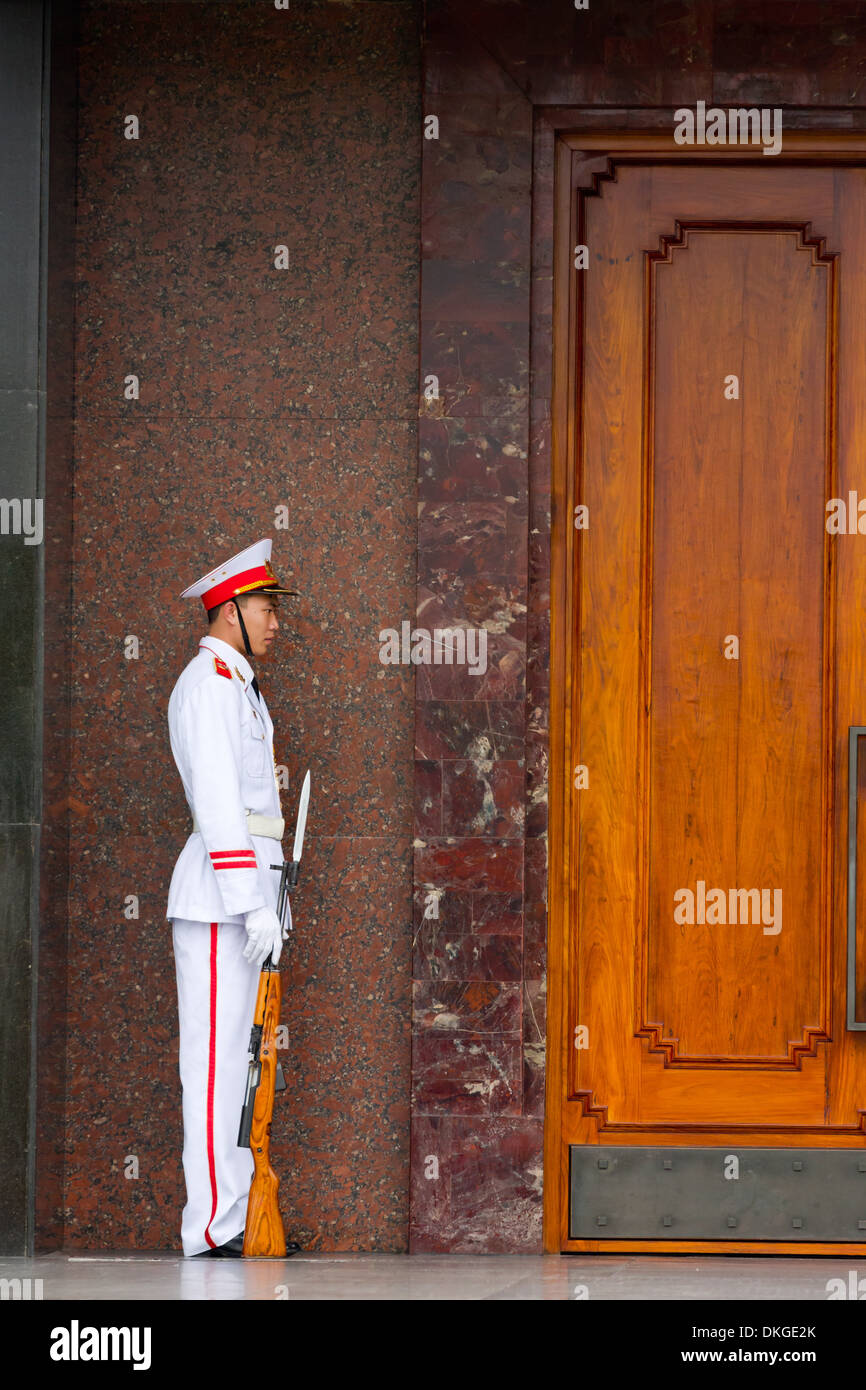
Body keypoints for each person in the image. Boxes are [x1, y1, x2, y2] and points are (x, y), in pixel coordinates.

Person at [166, 538, 301, 1258]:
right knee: (217, 1068)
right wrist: (249, 902)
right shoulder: (208, 686)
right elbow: (218, 806)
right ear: (228, 612)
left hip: (245, 899)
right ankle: (213, 1227)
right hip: (221, 903)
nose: (276, 621)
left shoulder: (238, 686)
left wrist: (268, 902)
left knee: (242, 1069)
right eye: (264, 607)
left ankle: (236, 1217)